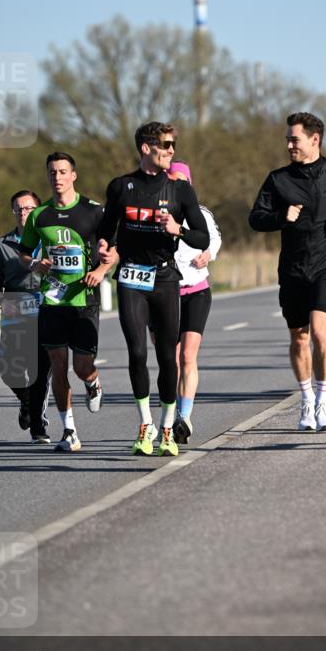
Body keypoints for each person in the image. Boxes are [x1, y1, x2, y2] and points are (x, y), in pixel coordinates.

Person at [97, 123, 210, 458]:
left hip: (164, 279)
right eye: (165, 144)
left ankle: (167, 427)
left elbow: (201, 237)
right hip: (131, 275)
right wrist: (104, 247)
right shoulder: (121, 187)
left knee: (167, 357)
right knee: (137, 353)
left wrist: (179, 230)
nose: (172, 150)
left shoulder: (180, 191)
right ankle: (145, 425)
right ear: (146, 148)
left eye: (174, 144)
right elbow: (106, 230)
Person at [249, 111, 326, 432]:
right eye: (287, 139)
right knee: (299, 339)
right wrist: (282, 216)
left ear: (315, 139)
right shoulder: (278, 179)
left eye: (294, 139)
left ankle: (324, 401)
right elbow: (256, 218)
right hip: (293, 270)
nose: (288, 145)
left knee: (321, 331)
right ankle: (307, 399)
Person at [18, 152, 110, 453]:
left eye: (62, 171)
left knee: (82, 367)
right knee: (58, 366)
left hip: (84, 299)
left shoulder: (94, 212)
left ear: (74, 175)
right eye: (52, 172)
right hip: (52, 300)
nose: (56, 177)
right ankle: (69, 430)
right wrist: (35, 265)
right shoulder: (38, 215)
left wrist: (100, 270)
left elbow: (116, 250)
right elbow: (25, 252)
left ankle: (92, 381)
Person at [0, 190, 51, 442]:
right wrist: (2, 299)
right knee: (7, 368)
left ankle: (38, 426)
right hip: (15, 311)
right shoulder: (2, 245)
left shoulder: (49, 241)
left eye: (28, 209)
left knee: (40, 370)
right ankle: (26, 401)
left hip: (46, 310)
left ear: (37, 211)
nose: (23, 213)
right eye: (18, 209)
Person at [166, 160, 222, 445]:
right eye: (171, 182)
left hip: (197, 290)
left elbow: (215, 239)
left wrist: (208, 255)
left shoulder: (200, 213)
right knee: (172, 361)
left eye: (181, 182)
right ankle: (172, 413)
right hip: (166, 293)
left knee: (188, 356)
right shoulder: (159, 214)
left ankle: (184, 418)